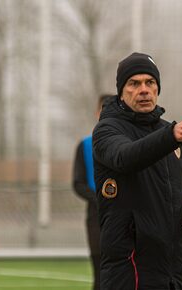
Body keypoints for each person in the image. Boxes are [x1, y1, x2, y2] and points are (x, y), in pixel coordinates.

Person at [92, 52, 182, 290]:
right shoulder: (107, 130)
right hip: (130, 268)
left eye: (150, 82)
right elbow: (125, 157)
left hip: (171, 265)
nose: (144, 89)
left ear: (158, 88)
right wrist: (170, 137)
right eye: (134, 84)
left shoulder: (170, 132)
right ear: (121, 91)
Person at [72, 93, 113, 290]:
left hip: (126, 218)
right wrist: (102, 198)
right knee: (100, 275)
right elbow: (78, 183)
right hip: (96, 218)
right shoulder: (85, 145)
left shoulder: (130, 145)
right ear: (97, 112)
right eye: (103, 110)